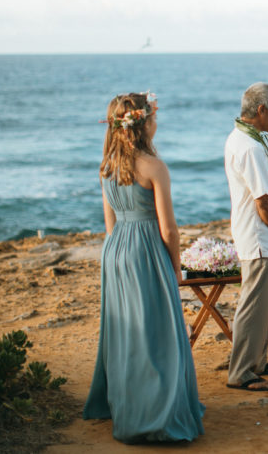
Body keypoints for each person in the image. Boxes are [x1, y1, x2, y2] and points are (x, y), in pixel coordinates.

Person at [84, 92, 205, 443]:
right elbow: (168, 229)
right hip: (147, 250)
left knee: (127, 333)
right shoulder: (154, 167)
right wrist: (176, 267)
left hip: (116, 251)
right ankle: (159, 413)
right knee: (158, 332)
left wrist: (117, 253)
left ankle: (128, 405)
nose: (157, 121)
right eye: (153, 116)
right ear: (144, 123)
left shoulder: (106, 166)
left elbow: (109, 225)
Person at [224, 82, 268, 392]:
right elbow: (263, 201)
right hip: (257, 236)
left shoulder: (241, 137)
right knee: (253, 304)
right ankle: (241, 371)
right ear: (262, 110)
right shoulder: (250, 147)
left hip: (255, 232)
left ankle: (258, 360)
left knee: (262, 302)